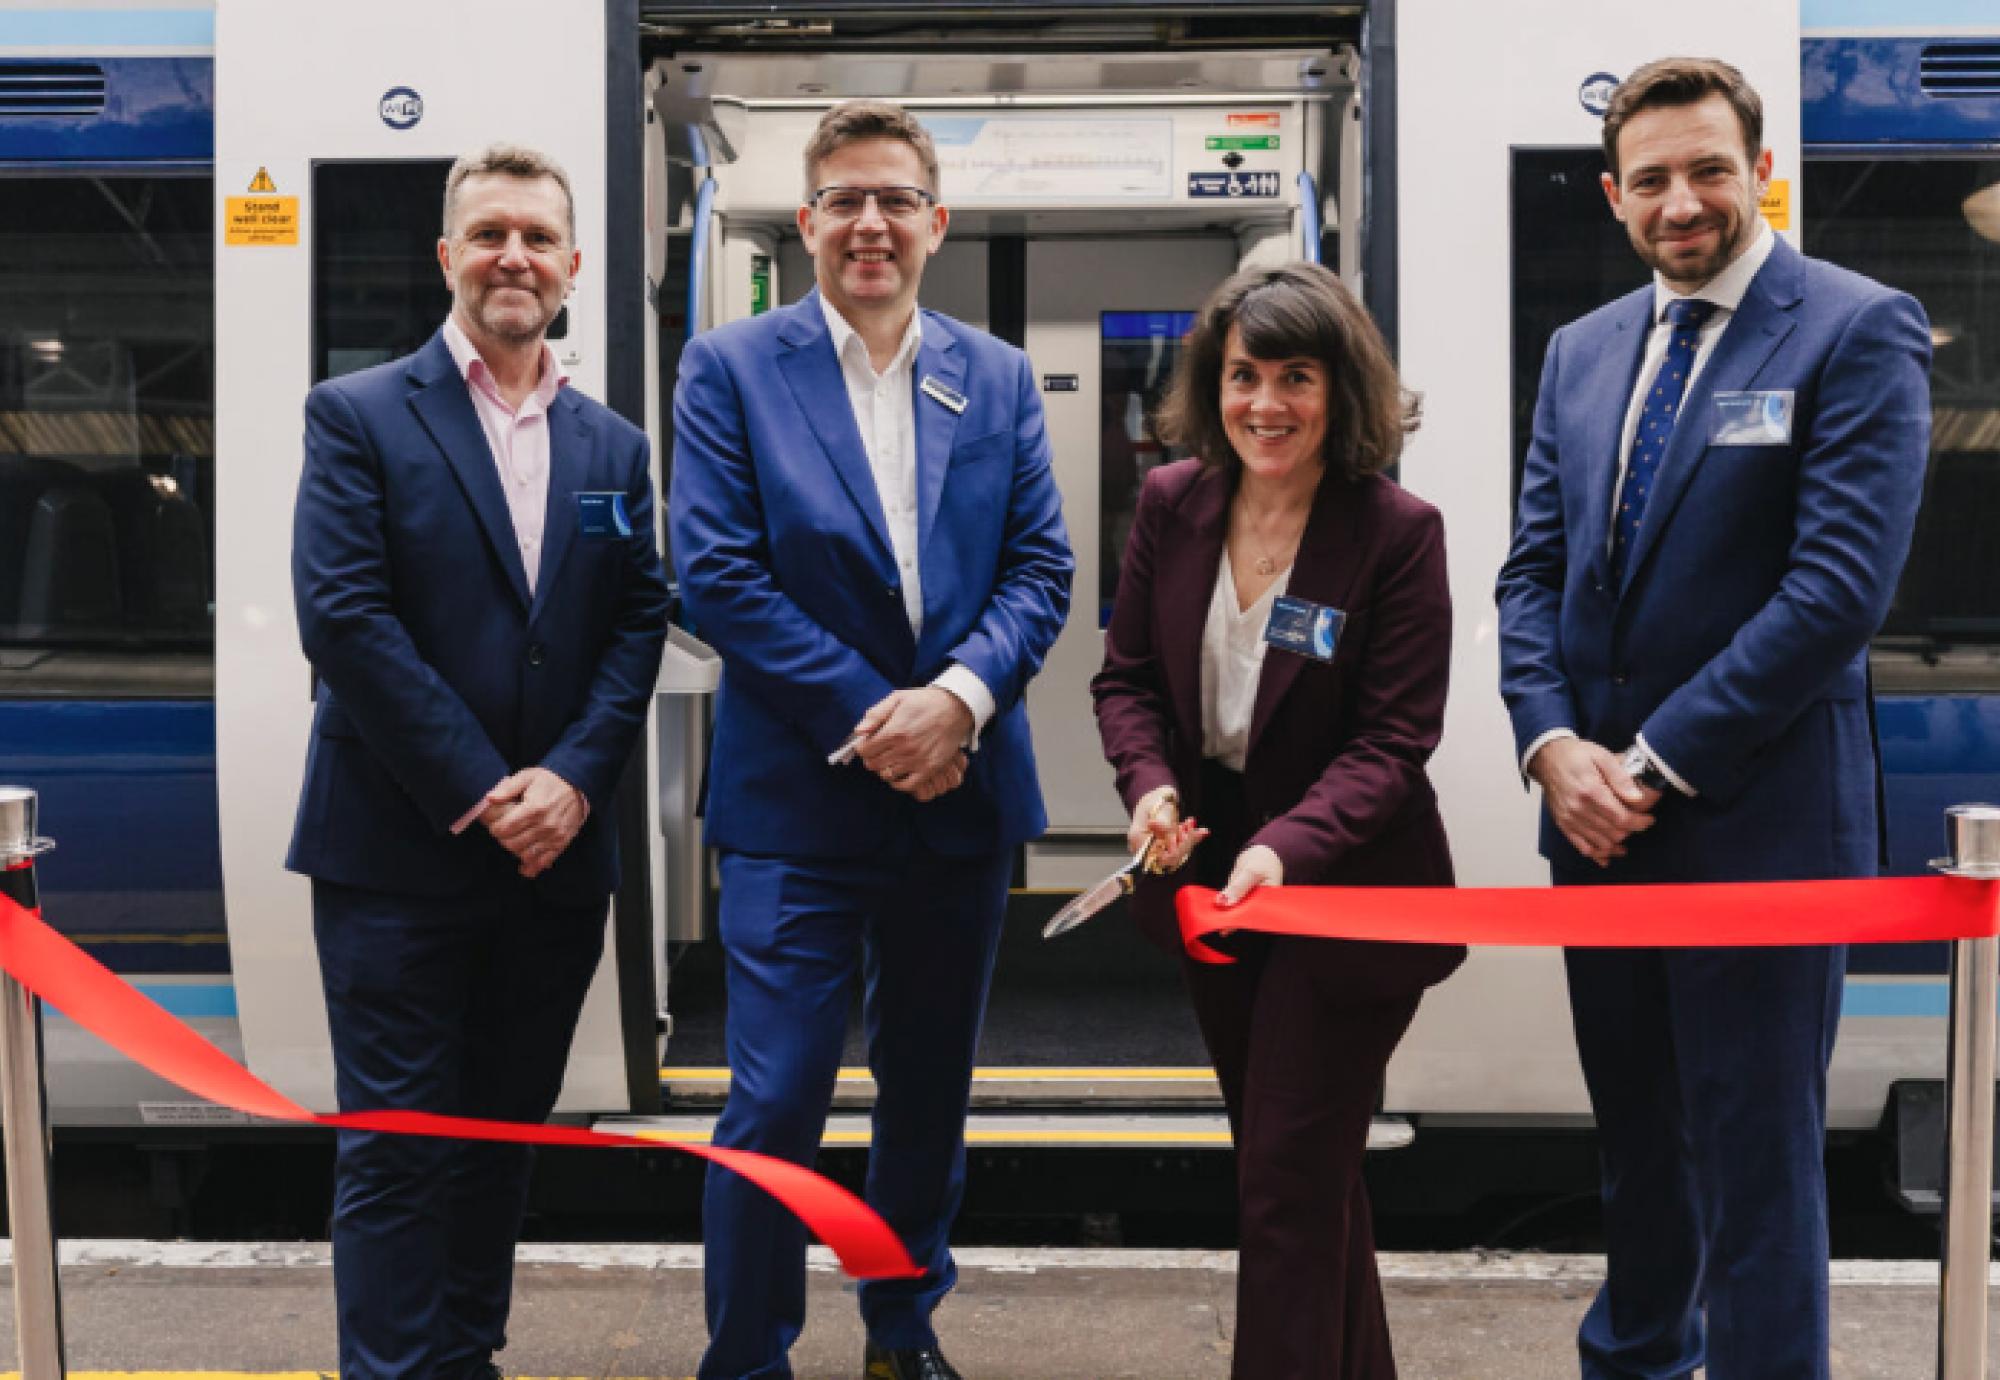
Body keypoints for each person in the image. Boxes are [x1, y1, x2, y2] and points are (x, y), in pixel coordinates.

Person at [1496, 56, 1931, 1380]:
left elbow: (1835, 595)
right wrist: (1552, 745)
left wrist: (1649, 760)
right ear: (1614, 196)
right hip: (1599, 834)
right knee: (1636, 1149)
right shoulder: (1583, 350)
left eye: (1708, 171)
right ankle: (1634, 1365)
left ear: (1762, 176)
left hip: (1761, 830)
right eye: (1652, 181)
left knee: (1756, 1163)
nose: (1681, 202)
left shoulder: (1857, 328)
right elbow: (1533, 574)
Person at [669, 99, 1072, 1380]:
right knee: (774, 1099)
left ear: (935, 224)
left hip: (956, 799)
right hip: (797, 804)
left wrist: (955, 700)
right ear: (804, 223)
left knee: (925, 1103)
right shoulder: (730, 369)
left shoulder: (995, 375)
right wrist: (882, 718)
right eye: (843, 197)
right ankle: (745, 1356)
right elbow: (718, 577)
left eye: (894, 198)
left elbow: (1041, 569)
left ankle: (899, 1334)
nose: (869, 221)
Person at [288, 143, 671, 1380]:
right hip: (397, 850)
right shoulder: (356, 415)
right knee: (400, 1146)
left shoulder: (613, 448)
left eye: (539, 237)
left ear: (571, 266)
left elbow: (634, 619)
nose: (516, 255)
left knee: (503, 1135)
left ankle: (464, 1358)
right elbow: (344, 619)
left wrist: (570, 779)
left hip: (555, 860)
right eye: (490, 233)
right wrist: (484, 791)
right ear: (447, 255)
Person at [1091, 261, 1465, 1379]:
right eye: (1245, 374)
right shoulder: (1172, 503)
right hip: (1209, 891)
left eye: (1295, 376)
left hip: (1348, 895)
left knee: (1282, 1187)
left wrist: (1279, 848)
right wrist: (1149, 786)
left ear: (1338, 387)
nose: (1266, 403)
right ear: (1212, 384)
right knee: (1296, 1168)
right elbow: (1126, 685)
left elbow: (1392, 743)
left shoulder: (1394, 531)